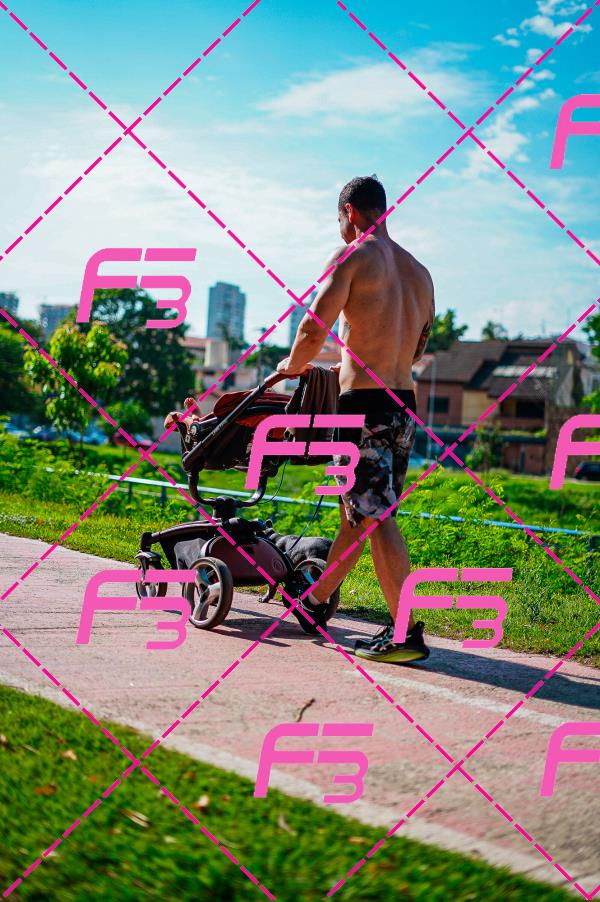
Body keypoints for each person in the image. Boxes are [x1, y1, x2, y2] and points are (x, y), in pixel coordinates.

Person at [277, 175, 434, 663]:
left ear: (349, 212)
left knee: (375, 513)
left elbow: (312, 326)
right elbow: (419, 345)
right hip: (403, 403)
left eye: (339, 219)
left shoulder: (352, 256)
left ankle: (405, 632)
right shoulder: (419, 272)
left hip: (365, 406)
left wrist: (294, 366)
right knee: (361, 513)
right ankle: (315, 600)